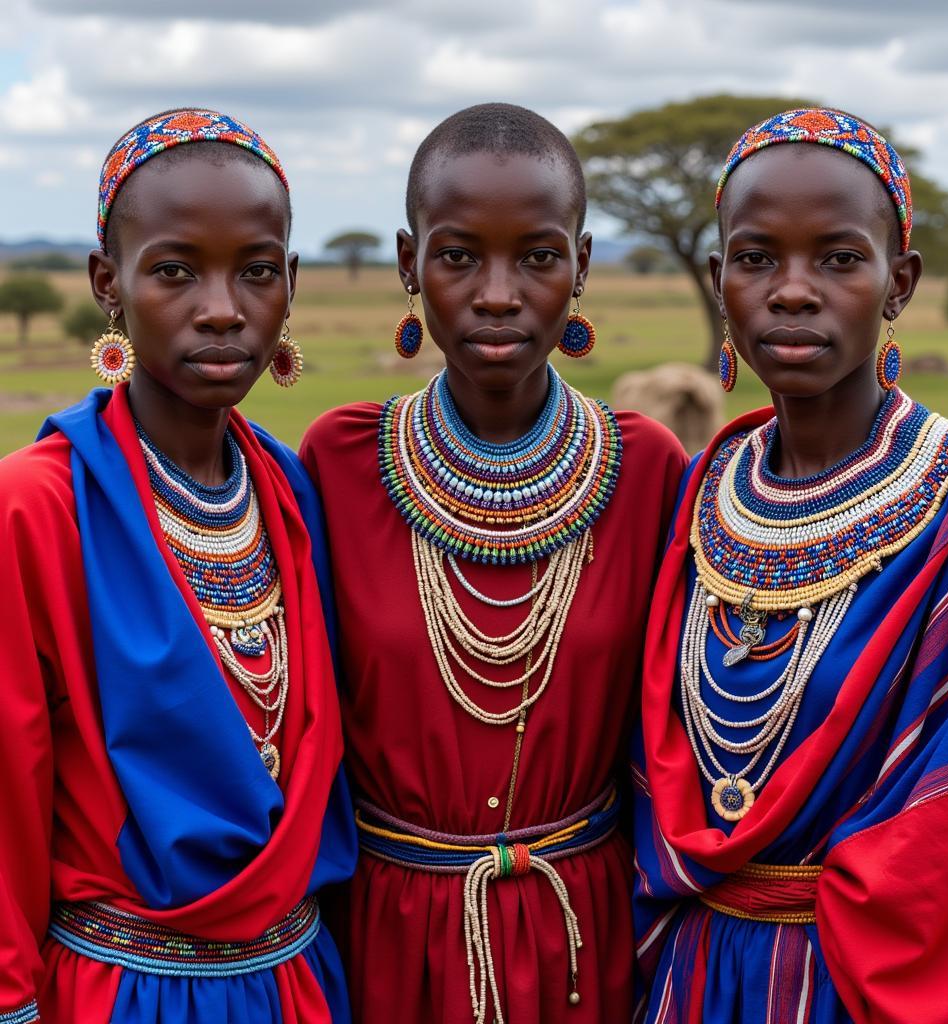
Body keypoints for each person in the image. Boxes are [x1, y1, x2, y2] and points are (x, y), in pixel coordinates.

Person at [633, 108, 948, 1024]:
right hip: (692, 978)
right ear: (720, 277)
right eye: (756, 257)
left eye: (840, 260)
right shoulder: (696, 497)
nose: (793, 291)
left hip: (863, 987)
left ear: (901, 282)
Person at [301, 103, 686, 1024]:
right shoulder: (338, 463)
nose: (499, 293)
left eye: (539, 257)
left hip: (583, 937)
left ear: (582, 267)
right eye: (459, 254)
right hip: (385, 934)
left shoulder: (649, 471)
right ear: (408, 263)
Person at [0, 108, 356, 1023]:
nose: (223, 309)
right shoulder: (36, 506)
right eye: (173, 271)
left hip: (298, 981)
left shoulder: (290, 488)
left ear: (290, 286)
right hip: (123, 991)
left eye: (257, 272)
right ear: (105, 283)